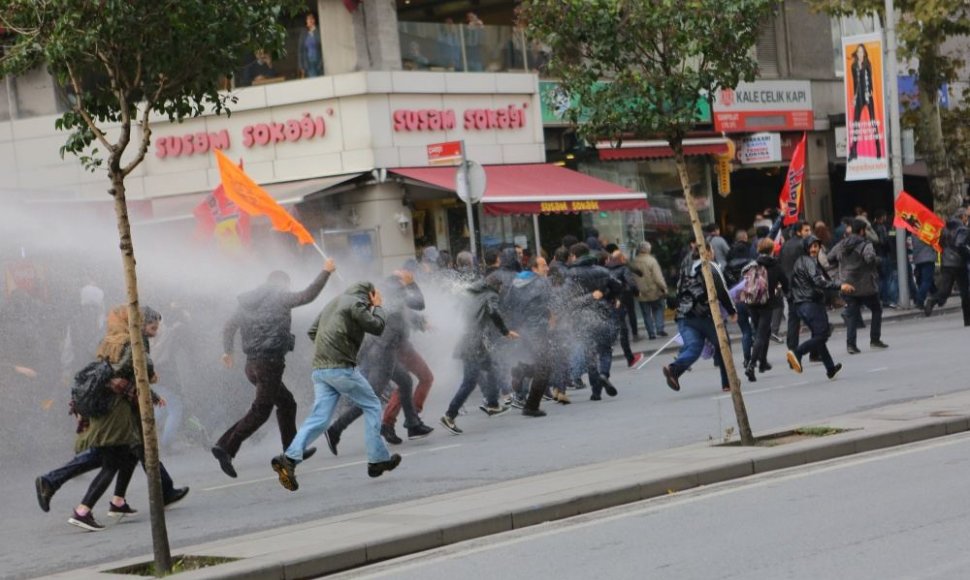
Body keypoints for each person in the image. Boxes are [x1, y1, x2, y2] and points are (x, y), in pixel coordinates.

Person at [272, 282, 401, 492]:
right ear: (370, 293)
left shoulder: (333, 303)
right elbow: (377, 327)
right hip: (341, 368)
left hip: (321, 370)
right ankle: (377, 460)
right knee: (372, 405)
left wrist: (331, 347)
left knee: (320, 418)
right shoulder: (358, 304)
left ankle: (288, 459)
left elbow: (313, 332)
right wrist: (377, 306)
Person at [212, 260, 335, 478]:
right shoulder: (281, 295)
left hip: (252, 364)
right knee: (261, 411)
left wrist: (227, 351)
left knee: (287, 403)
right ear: (283, 284)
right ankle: (227, 448)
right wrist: (325, 272)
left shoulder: (248, 301)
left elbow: (229, 326)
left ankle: (292, 450)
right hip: (269, 363)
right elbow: (307, 295)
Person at [325, 270, 433, 451]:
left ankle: (413, 424)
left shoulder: (387, 299)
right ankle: (336, 429)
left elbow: (409, 314)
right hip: (383, 353)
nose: (403, 286)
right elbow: (419, 304)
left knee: (405, 382)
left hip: (382, 351)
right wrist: (411, 283)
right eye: (401, 283)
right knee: (371, 398)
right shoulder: (394, 298)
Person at [440, 275, 520, 434]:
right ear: (497, 286)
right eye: (501, 287)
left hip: (473, 341)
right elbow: (493, 311)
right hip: (473, 345)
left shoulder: (474, 293)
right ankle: (449, 415)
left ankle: (492, 404)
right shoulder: (491, 295)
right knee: (469, 381)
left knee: (492, 368)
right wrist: (505, 331)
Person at [662, 245, 736, 393]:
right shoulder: (710, 267)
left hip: (684, 315)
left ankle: (674, 370)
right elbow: (721, 290)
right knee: (722, 345)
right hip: (705, 315)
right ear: (707, 252)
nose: (714, 253)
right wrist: (731, 310)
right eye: (712, 250)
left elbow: (678, 291)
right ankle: (727, 382)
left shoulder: (685, 268)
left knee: (694, 347)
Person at [786, 236, 854, 379]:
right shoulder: (809, 262)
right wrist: (840, 286)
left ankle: (830, 368)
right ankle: (798, 352)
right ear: (806, 248)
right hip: (810, 304)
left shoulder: (800, 261)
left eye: (816, 246)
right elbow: (819, 282)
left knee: (819, 336)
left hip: (802, 304)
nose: (813, 249)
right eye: (811, 246)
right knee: (822, 335)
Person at [565, 242, 623, 400]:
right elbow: (618, 286)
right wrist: (610, 297)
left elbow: (568, 300)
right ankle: (604, 374)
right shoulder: (602, 270)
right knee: (605, 349)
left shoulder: (571, 274)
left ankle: (596, 392)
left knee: (590, 354)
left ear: (575, 256)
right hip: (603, 313)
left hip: (582, 317)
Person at [828, 219, 888, 353]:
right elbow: (870, 258)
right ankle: (875, 339)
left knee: (852, 315)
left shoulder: (841, 244)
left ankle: (851, 345)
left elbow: (830, 257)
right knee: (876, 309)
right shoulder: (866, 244)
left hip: (847, 284)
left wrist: (840, 271)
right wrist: (879, 261)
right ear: (861, 231)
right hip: (866, 285)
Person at [504, 256, 554, 417]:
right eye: (543, 266)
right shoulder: (542, 283)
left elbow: (507, 304)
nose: (547, 268)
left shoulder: (516, 282)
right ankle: (531, 406)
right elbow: (551, 302)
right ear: (534, 268)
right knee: (544, 367)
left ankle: (520, 370)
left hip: (523, 329)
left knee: (542, 364)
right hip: (537, 330)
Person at [743, 238, 789, 382]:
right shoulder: (775, 265)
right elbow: (785, 283)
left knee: (763, 332)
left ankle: (763, 362)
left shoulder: (752, 265)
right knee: (761, 335)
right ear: (772, 250)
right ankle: (751, 365)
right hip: (767, 304)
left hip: (751, 303)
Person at [924, 209, 970, 326]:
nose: (967, 218)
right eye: (966, 216)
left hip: (946, 263)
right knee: (965, 293)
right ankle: (967, 319)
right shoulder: (963, 229)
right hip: (959, 264)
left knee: (945, 290)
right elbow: (960, 245)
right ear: (962, 217)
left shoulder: (945, 228)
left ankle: (932, 301)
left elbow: (939, 244)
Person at [848, 43, 881, 160]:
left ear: (864, 53)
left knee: (873, 122)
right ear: (857, 54)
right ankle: (853, 150)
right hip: (859, 96)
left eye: (862, 52)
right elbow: (855, 83)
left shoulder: (867, 64)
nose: (860, 54)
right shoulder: (853, 66)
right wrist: (854, 97)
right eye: (858, 52)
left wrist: (871, 92)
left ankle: (878, 150)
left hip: (867, 95)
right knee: (856, 123)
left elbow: (870, 80)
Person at [632, 241, 668, 340]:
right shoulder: (651, 261)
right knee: (658, 308)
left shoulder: (634, 261)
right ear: (648, 249)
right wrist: (664, 287)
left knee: (645, 313)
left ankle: (651, 333)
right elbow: (658, 277)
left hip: (640, 292)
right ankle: (659, 328)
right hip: (653, 290)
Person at [911, 236, 938, 308]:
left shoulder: (915, 232)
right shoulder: (928, 232)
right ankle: (919, 300)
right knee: (927, 281)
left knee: (925, 280)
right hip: (928, 258)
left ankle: (937, 297)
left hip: (918, 259)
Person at [298, 13, 323, 78]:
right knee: (313, 79)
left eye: (312, 18)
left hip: (319, 60)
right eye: (308, 19)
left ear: (314, 20)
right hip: (308, 62)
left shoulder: (318, 30)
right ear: (306, 21)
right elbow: (300, 50)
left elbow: (320, 42)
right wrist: (301, 66)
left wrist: (314, 30)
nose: (310, 20)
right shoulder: (303, 33)